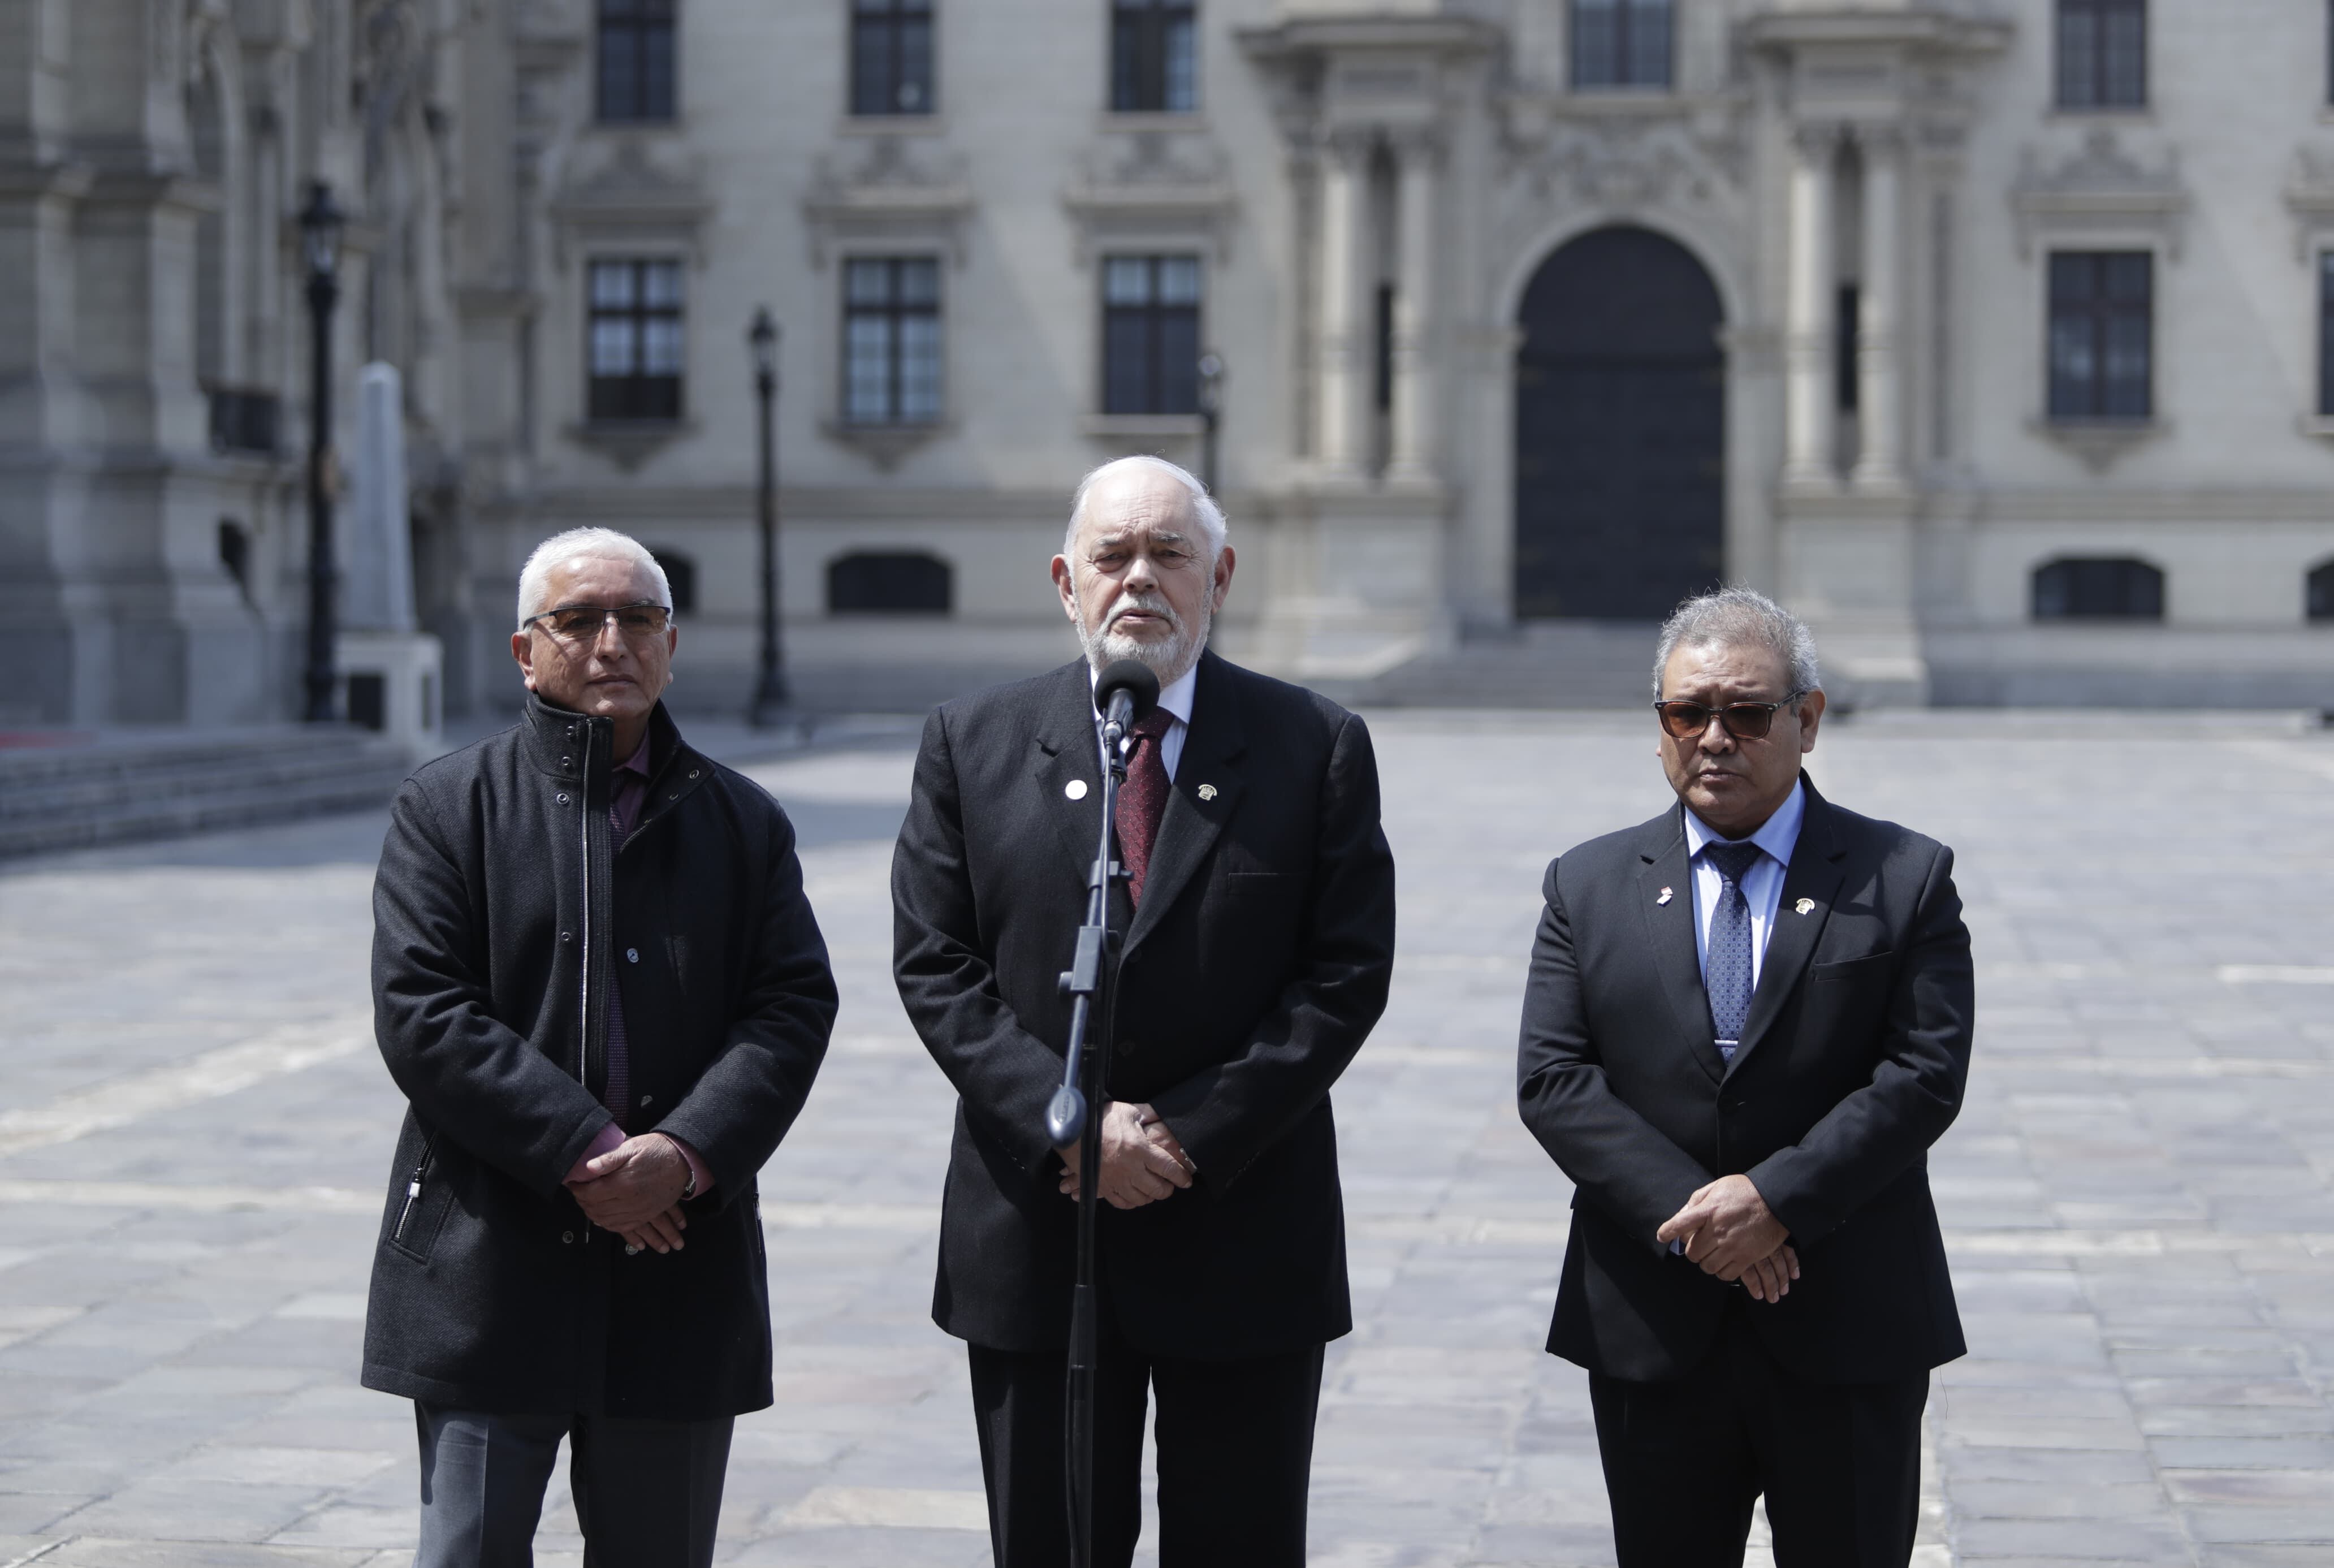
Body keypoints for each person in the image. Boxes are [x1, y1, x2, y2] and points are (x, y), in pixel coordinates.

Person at [891, 455, 1397, 1566]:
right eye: (1112, 555)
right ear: (1065, 581)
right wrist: (1070, 1121)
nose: (1139, 578)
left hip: (1242, 1233)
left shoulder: (1312, 743)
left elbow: (1344, 974)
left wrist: (1183, 1133)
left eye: (1169, 553)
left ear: (1220, 575)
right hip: (1037, 1234)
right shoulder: (972, 742)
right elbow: (936, 966)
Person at [362, 527, 838, 1566]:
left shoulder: (744, 822)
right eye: (578, 620)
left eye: (638, 618)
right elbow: (423, 1010)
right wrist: (587, 1150)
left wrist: (687, 1153)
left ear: (671, 643)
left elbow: (792, 1007)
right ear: (526, 652)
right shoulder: (448, 806)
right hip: (489, 1265)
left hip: (678, 1269)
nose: (612, 641)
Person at [1515, 588, 1974, 1568]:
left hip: (1847, 1317)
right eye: (1689, 713)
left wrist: (1777, 1200)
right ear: (1660, 728)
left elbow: (1924, 1074)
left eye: (1748, 713)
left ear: (1808, 719)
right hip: (1655, 1321)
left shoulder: (1905, 876)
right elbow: (1554, 1079)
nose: (1715, 738)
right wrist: (1706, 1221)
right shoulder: (1586, 884)